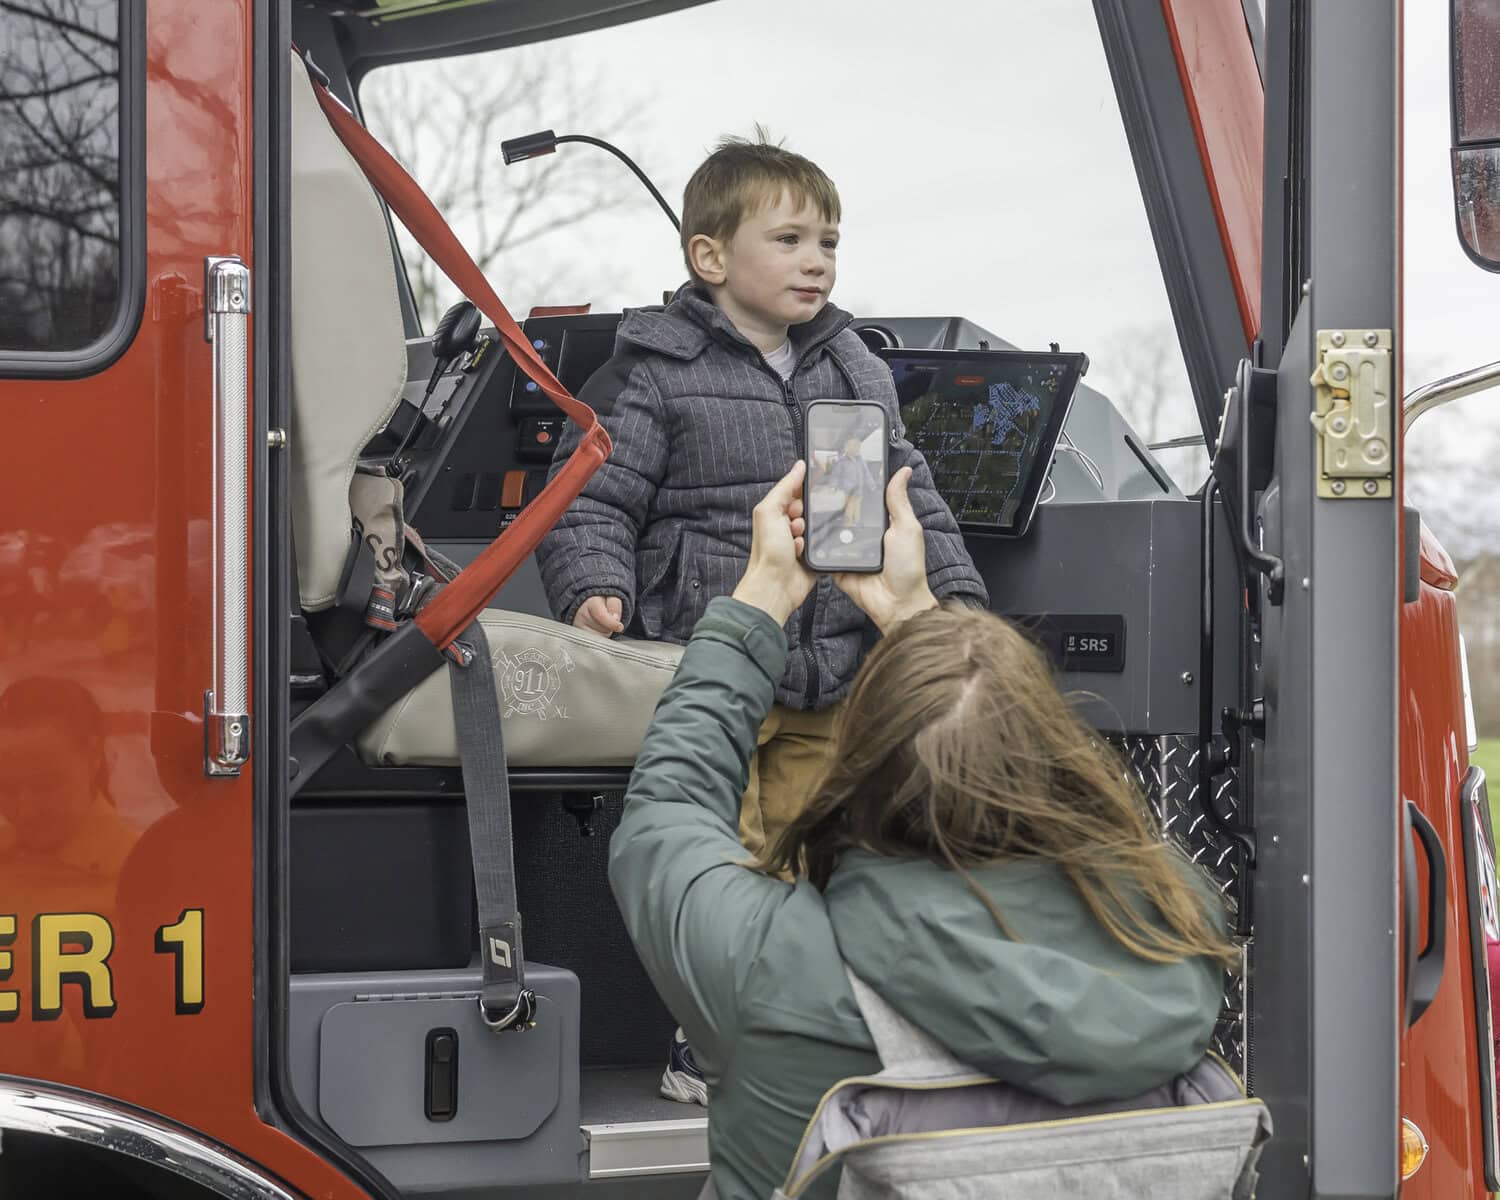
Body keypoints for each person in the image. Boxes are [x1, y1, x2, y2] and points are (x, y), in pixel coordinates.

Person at [608, 463, 1233, 1200]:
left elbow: (666, 810)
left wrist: (760, 601)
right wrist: (919, 619)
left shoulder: (769, 964)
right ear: (1050, 751)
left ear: (858, 768)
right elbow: (1038, 775)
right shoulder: (1175, 923)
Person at [538, 133, 987, 1103]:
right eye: (788, 239)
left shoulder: (857, 371)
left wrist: (953, 606)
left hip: (836, 664)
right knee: (728, 860)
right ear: (710, 257)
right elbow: (592, 500)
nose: (817, 258)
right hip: (718, 660)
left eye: (829, 240)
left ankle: (814, 1032)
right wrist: (592, 583)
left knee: (824, 848)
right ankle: (709, 1040)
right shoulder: (654, 371)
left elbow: (914, 504)